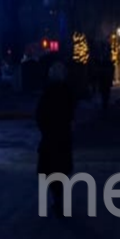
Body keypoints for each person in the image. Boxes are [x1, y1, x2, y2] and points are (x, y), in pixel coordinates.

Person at [36, 61, 75, 217]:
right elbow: (71, 112)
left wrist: (45, 129)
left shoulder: (48, 92)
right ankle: (59, 197)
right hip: (62, 136)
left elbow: (40, 114)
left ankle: (57, 197)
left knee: (50, 170)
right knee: (60, 170)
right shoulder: (67, 92)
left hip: (51, 136)